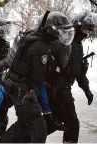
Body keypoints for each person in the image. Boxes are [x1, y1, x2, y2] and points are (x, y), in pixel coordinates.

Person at [0, 11, 75, 143]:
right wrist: (35, 97)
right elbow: (37, 78)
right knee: (38, 125)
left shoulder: (37, 38)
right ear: (52, 30)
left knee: (25, 123)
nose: (64, 35)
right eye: (62, 32)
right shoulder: (40, 47)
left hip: (17, 84)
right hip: (23, 88)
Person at [45, 12, 96, 143]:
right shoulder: (64, 41)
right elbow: (49, 65)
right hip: (57, 89)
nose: (87, 33)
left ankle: (24, 136)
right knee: (72, 123)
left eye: (90, 30)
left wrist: (86, 90)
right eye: (86, 29)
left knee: (53, 123)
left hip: (64, 87)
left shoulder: (78, 45)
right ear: (78, 26)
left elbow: (78, 72)